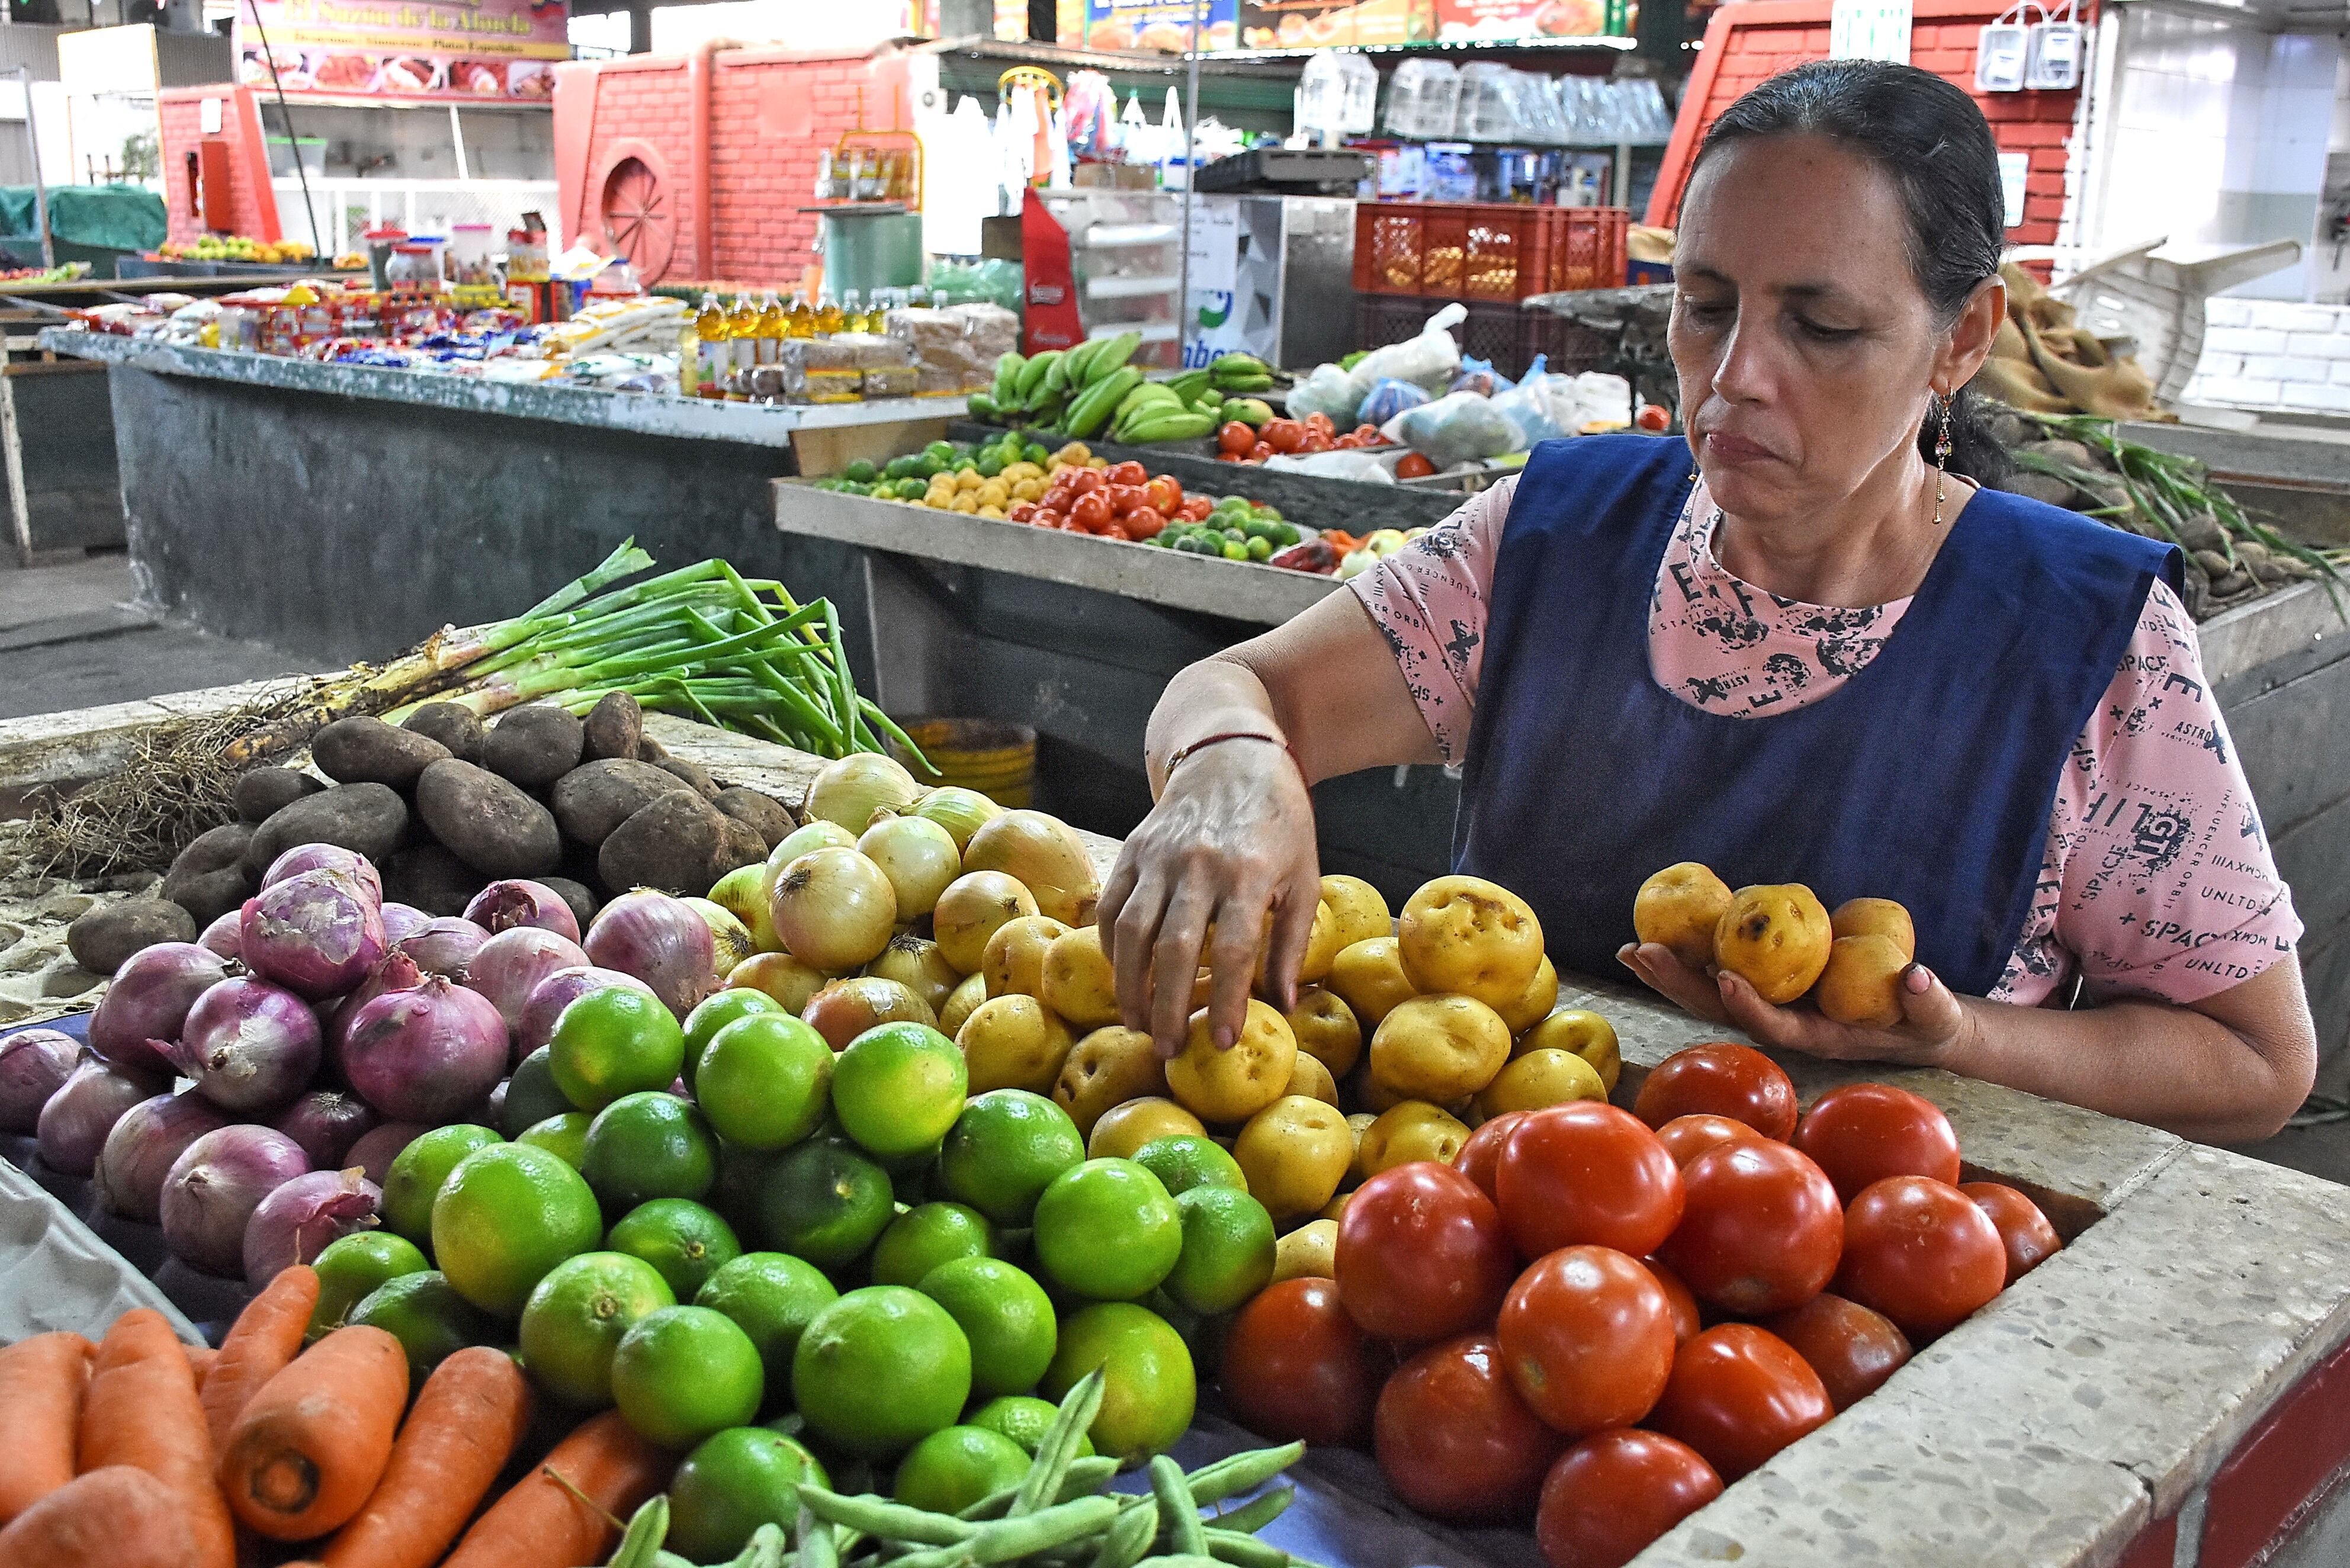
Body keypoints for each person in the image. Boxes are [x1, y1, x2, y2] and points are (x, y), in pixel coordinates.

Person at [1098, 59, 2316, 1145]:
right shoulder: (1550, 539)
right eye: (1705, 306)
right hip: (1516, 1240)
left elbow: (2253, 1063)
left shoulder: (2082, 640)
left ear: (1961, 340)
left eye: (1822, 325)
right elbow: (1244, 686)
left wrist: (1959, 1041)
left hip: (1858, 1298)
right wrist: (1232, 765)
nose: (1735, 380)